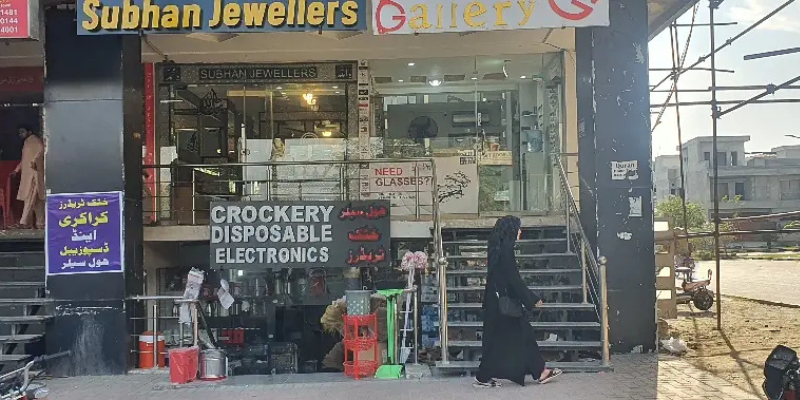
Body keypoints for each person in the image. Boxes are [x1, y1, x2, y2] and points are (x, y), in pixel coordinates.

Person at [474, 215, 562, 388]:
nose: (520, 231)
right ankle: (540, 372)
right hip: (504, 304)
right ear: (511, 230)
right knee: (523, 334)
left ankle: (484, 375)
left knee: (499, 340)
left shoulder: (497, 248)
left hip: (496, 302)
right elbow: (513, 278)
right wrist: (531, 299)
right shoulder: (506, 250)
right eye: (518, 228)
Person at [10, 125, 44, 229]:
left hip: (33, 175)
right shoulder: (27, 142)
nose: (20, 134)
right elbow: (24, 159)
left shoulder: (35, 141)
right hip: (28, 175)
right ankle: (40, 223)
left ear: (29, 132)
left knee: (29, 198)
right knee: (37, 201)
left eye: (22, 132)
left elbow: (41, 151)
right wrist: (16, 170)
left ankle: (24, 222)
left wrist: (34, 161)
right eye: (19, 132)